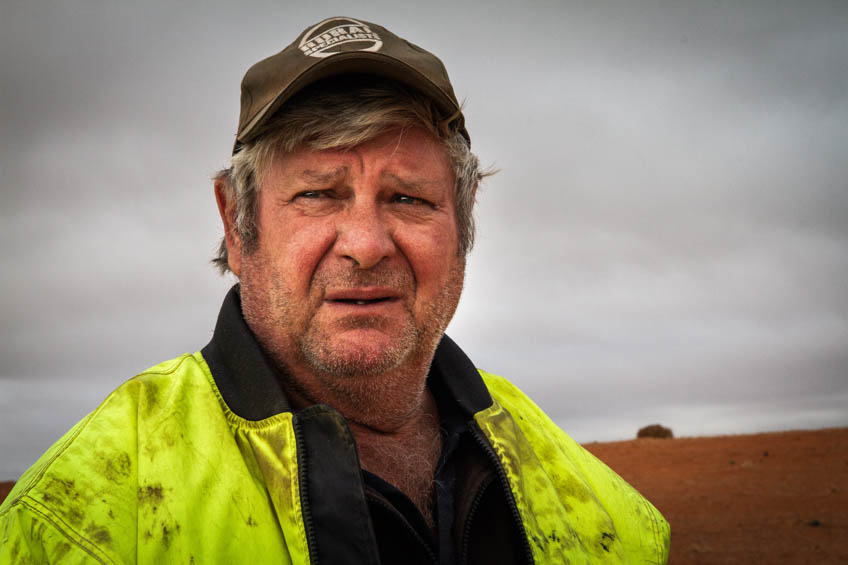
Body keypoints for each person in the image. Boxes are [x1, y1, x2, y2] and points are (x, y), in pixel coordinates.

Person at [0, 17, 669, 564]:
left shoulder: (605, 516)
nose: (367, 243)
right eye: (319, 194)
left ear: (463, 225)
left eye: (408, 197)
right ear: (238, 224)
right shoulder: (77, 523)